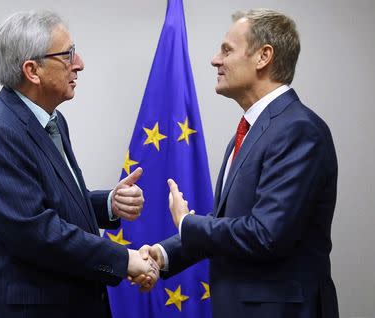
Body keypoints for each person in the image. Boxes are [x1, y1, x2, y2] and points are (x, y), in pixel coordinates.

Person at [0, 10, 158, 318]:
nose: (80, 63)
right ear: (33, 70)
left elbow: (50, 200)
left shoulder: (51, 121)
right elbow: (35, 232)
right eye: (68, 54)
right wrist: (123, 259)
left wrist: (108, 204)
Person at [138, 8, 339, 318]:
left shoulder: (299, 130)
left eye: (227, 50)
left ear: (263, 57)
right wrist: (165, 254)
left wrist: (186, 223)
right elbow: (231, 220)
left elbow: (265, 234)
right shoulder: (250, 131)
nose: (215, 60)